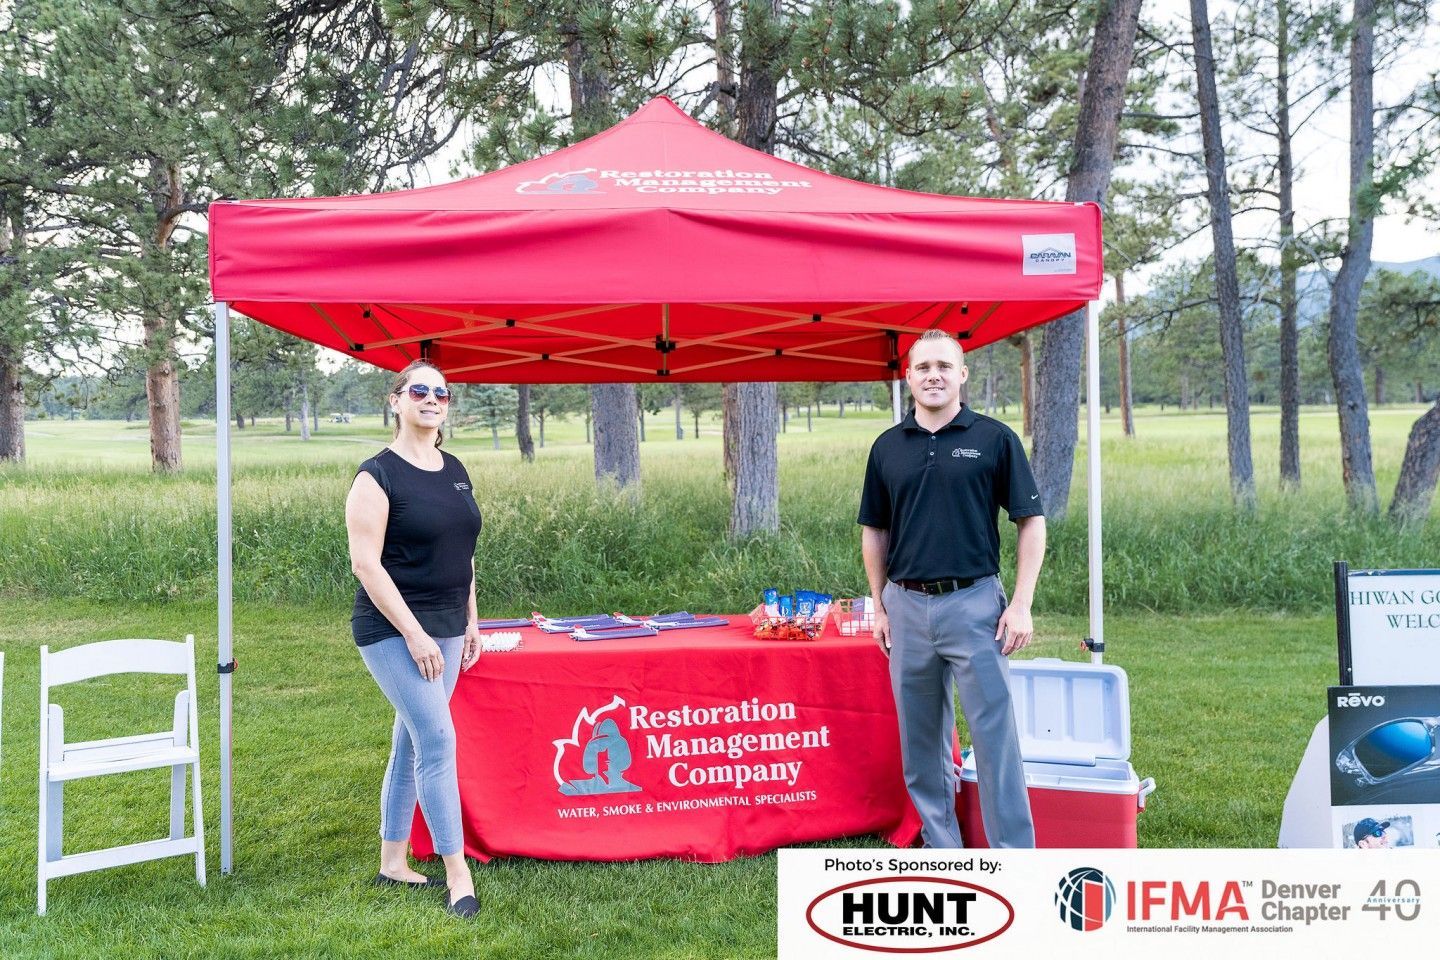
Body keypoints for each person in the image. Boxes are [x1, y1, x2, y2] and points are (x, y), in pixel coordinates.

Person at [858, 329, 1046, 848]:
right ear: (909, 377)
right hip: (906, 606)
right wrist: (879, 604)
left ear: (962, 374)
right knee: (922, 745)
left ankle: (1014, 859)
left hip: (974, 605)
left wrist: (1023, 604)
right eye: (923, 367)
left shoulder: (994, 439)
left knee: (995, 740)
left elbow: (1031, 522)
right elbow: (874, 529)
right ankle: (945, 854)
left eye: (944, 366)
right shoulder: (887, 448)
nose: (933, 375)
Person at [346, 359, 483, 918]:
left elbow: (464, 552)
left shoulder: (453, 467)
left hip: (449, 624)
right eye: (419, 390)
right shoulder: (375, 475)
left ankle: (392, 862)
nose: (432, 399)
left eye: (441, 393)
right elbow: (366, 565)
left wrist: (472, 620)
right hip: (392, 630)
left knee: (411, 741)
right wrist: (416, 635)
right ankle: (459, 875)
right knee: (438, 740)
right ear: (396, 401)